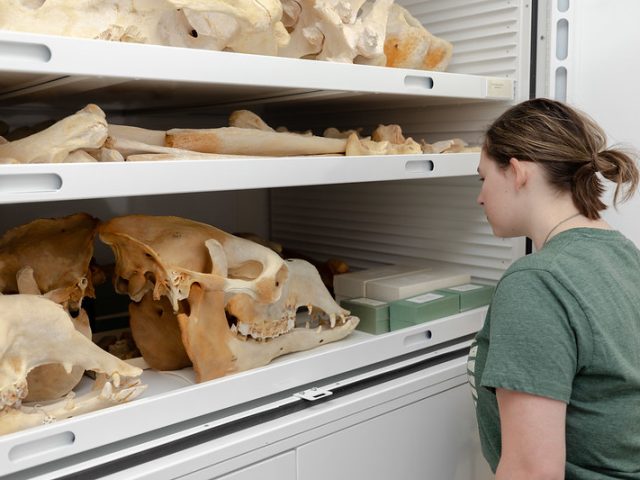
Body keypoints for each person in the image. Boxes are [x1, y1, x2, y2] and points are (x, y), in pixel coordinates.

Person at [467, 97, 640, 479]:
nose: (480, 196)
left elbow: (532, 472)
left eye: (483, 178)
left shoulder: (536, 283)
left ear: (517, 172)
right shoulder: (626, 255)